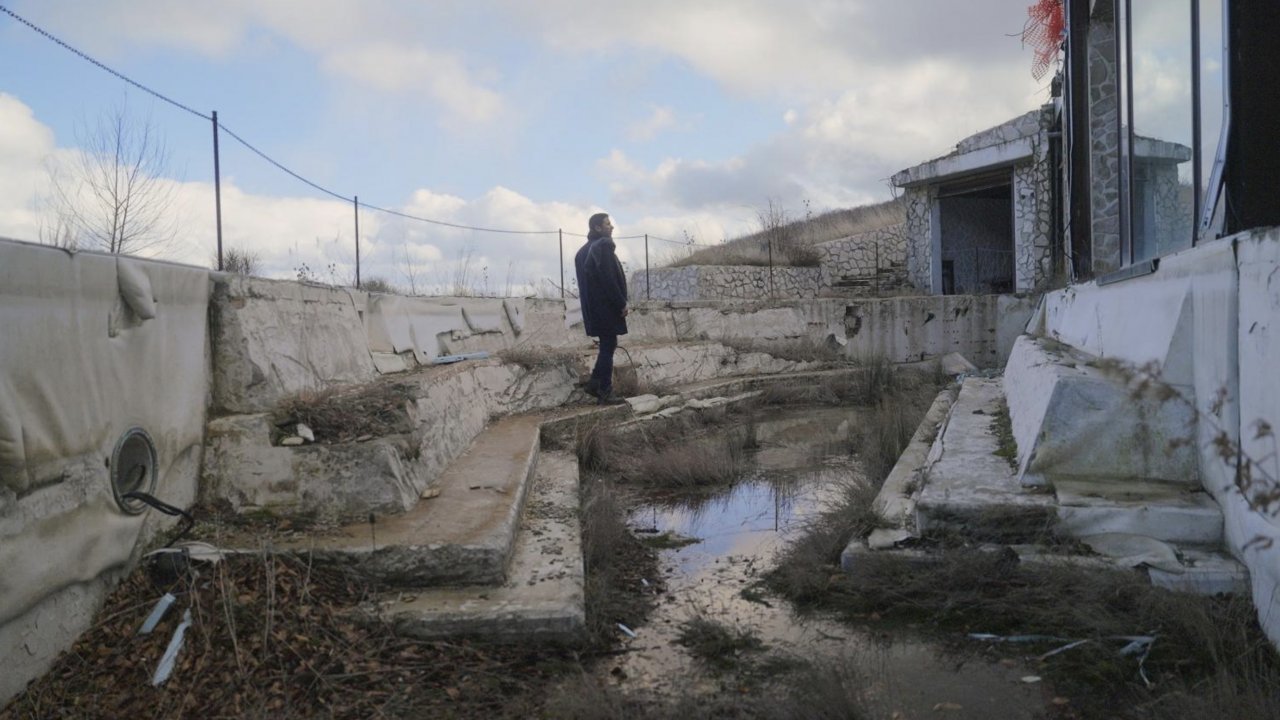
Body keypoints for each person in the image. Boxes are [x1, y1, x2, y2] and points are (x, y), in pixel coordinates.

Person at [574, 212, 628, 404]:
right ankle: (604, 390)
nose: (611, 227)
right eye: (607, 224)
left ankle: (597, 384)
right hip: (606, 306)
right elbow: (608, 278)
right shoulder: (603, 246)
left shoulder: (581, 252)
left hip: (592, 308)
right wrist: (620, 302)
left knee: (608, 344)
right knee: (608, 345)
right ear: (597, 228)